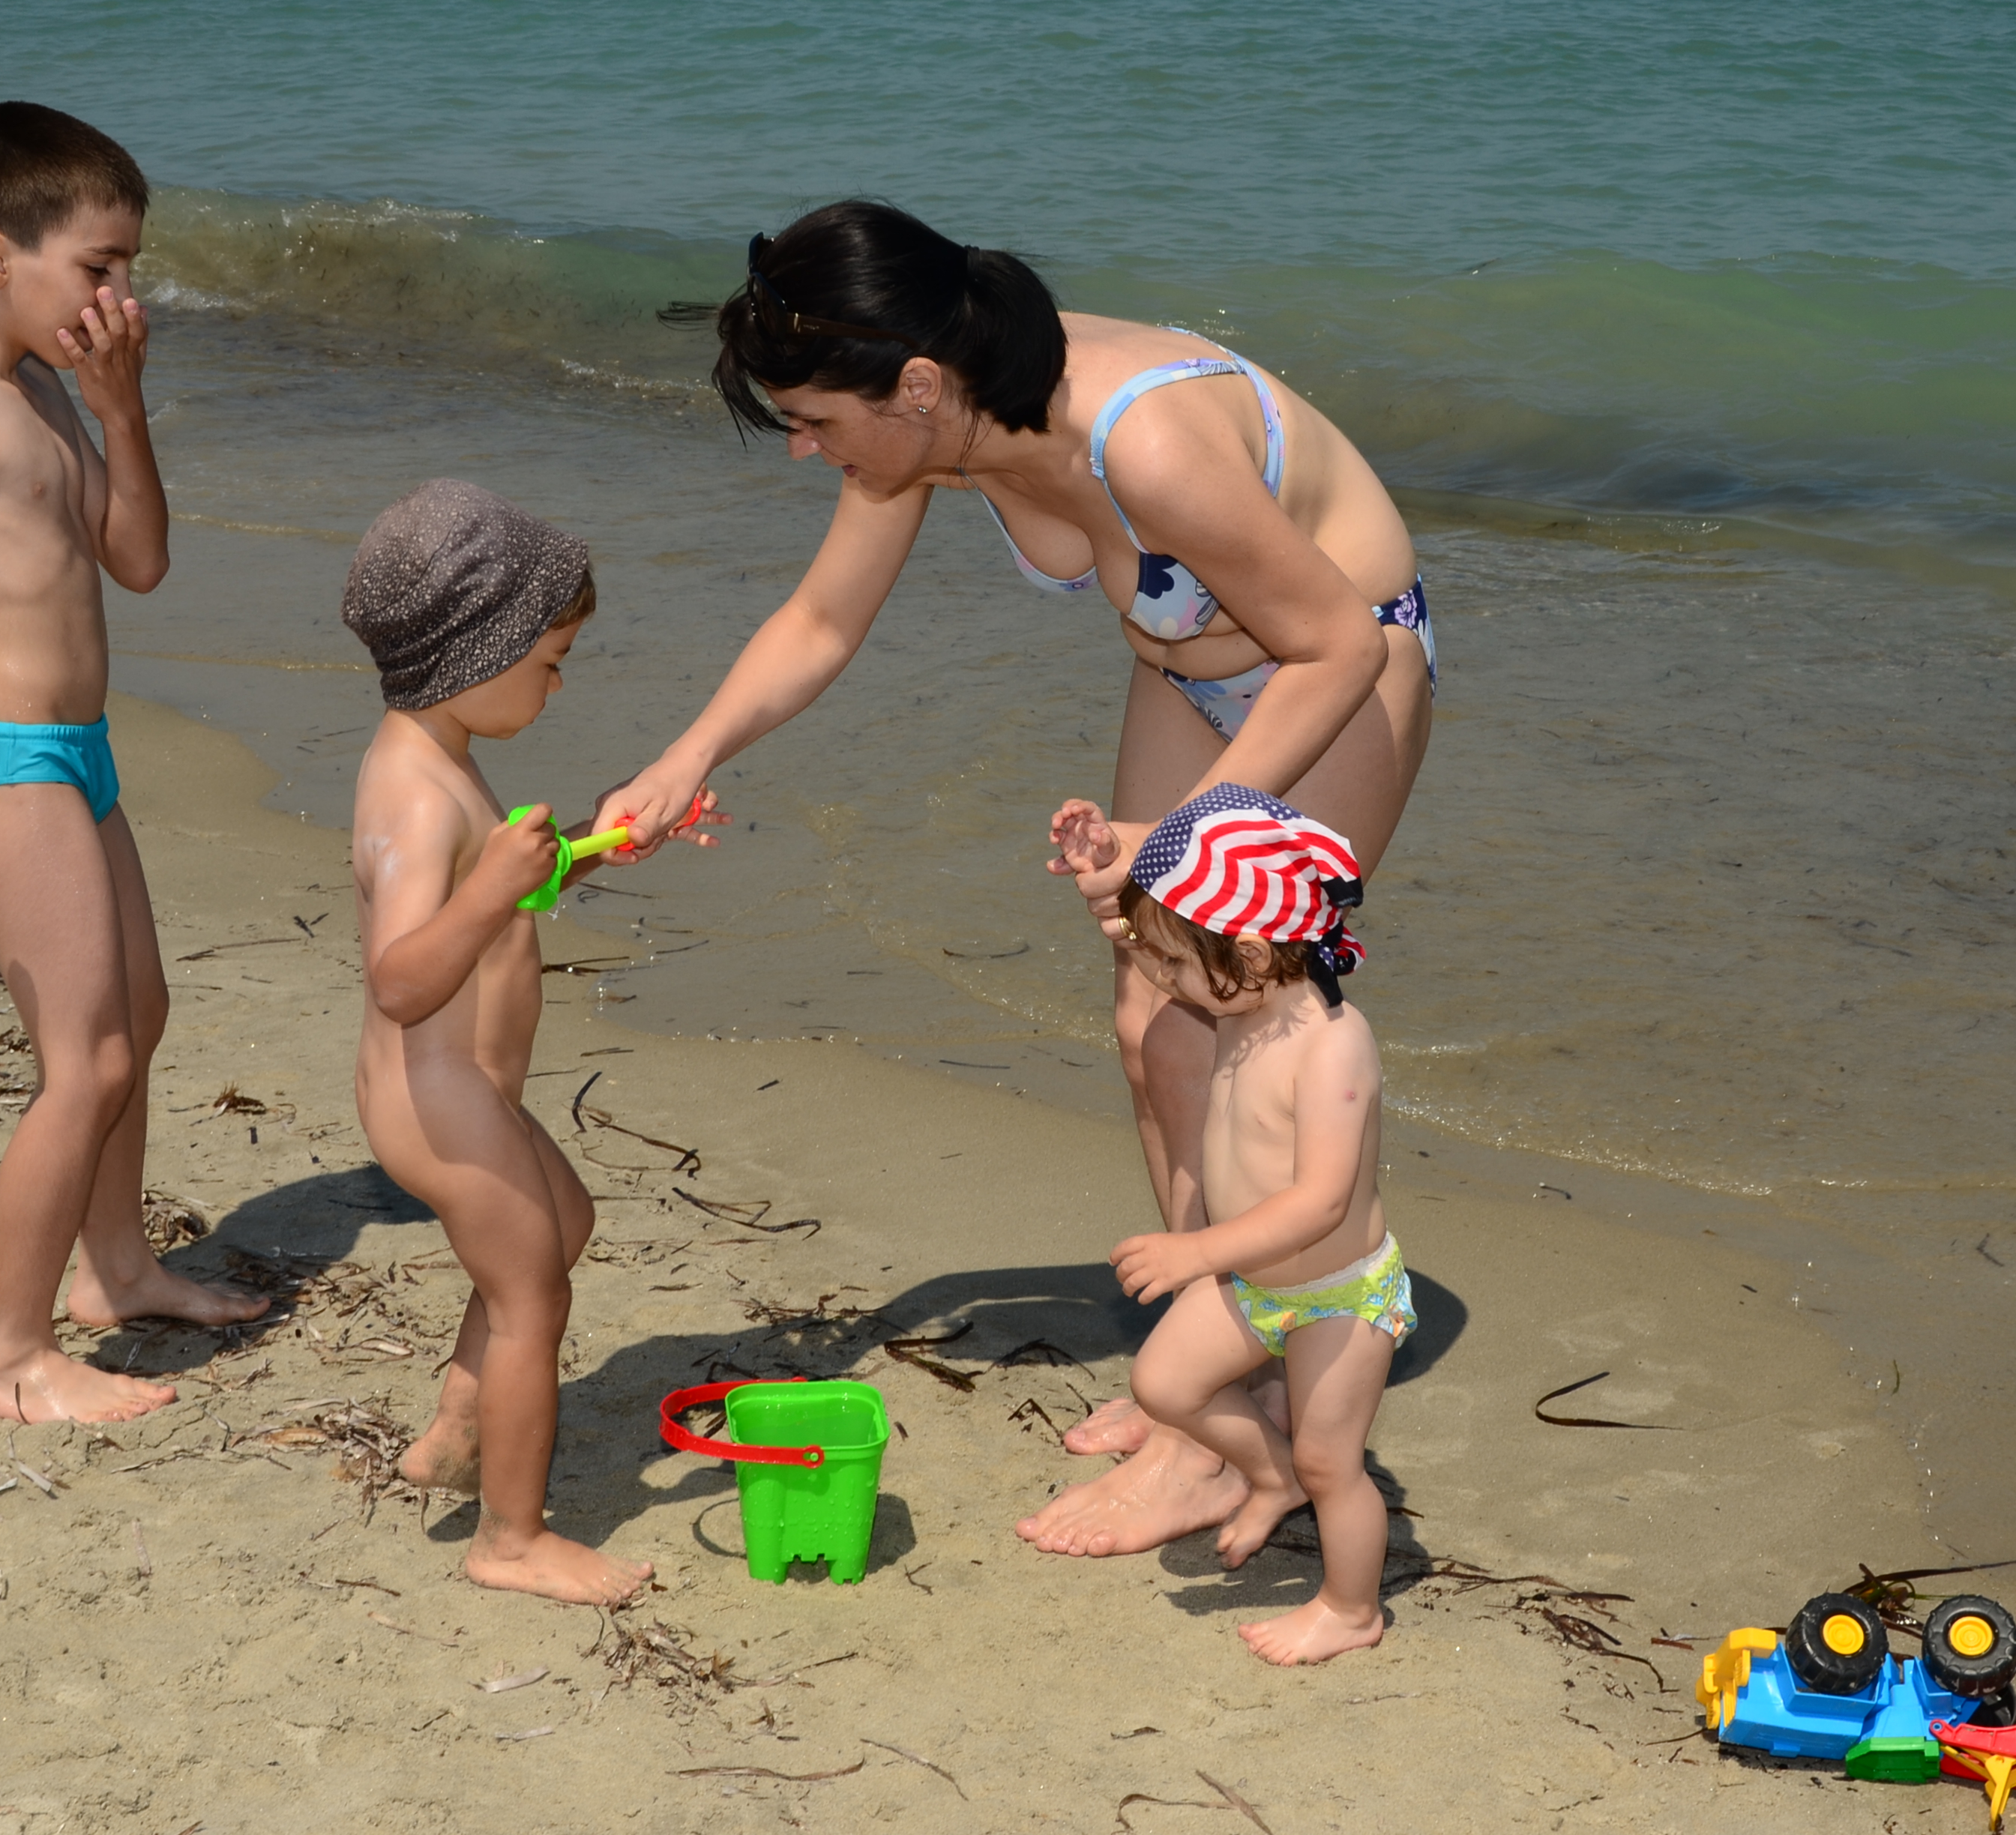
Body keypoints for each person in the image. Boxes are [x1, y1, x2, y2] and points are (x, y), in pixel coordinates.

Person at [606, 202, 1433, 1555]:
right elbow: (821, 619)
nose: (806, 446)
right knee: (1150, 1029)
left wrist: (1181, 842)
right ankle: (1210, 1363)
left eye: (813, 420)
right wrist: (682, 757)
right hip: (1190, 671)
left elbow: (1333, 644)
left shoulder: (1142, 439)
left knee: (1232, 1023)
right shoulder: (930, 419)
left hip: (1337, 678)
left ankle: (1203, 1440)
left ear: (917, 384)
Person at [0, 102, 266, 1424]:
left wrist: (120, 410)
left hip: (79, 752)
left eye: (127, 266)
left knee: (139, 1018)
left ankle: (116, 1269)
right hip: (1, 758)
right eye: (98, 265)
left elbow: (138, 559)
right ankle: (5, 1354)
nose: (119, 295)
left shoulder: (38, 391)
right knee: (86, 1061)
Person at [342, 479, 659, 1604]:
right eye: (550, 660)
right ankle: (511, 1540)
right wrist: (494, 892)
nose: (557, 684)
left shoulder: (437, 755)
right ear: (477, 649)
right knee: (533, 1298)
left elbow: (497, 888)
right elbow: (402, 977)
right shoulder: (419, 797)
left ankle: (456, 1428)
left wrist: (589, 848)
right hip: (438, 1092)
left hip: (466, 1089)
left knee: (562, 1225)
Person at [1064, 786, 1410, 1663]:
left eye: (1176, 965)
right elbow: (1153, 935)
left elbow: (1321, 1201)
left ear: (1251, 953)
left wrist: (1197, 1252)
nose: (1161, 979)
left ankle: (1350, 1609)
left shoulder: (1332, 1045)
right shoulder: (1243, 1001)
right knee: (1164, 1385)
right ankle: (1269, 1473)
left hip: (1340, 1296)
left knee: (1335, 1465)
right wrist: (1105, 871)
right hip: (1257, 1281)